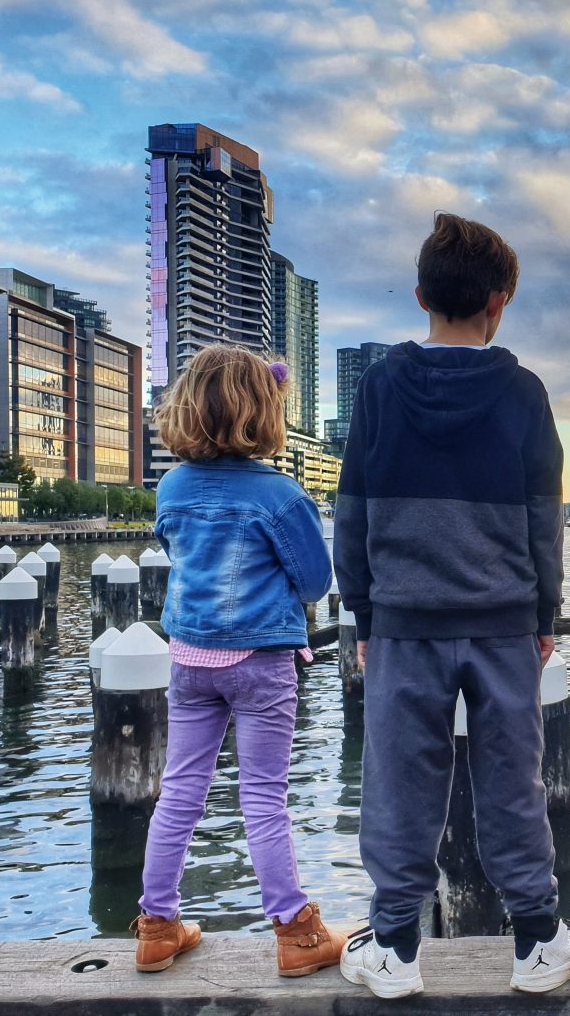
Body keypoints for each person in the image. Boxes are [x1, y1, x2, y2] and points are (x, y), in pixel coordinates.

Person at [334, 213, 570, 998]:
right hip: (500, 619)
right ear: (500, 301)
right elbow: (542, 516)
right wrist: (545, 615)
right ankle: (536, 940)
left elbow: (350, 507)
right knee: (512, 780)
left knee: (397, 780)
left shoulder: (380, 386)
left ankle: (393, 948)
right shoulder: (522, 392)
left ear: (420, 294)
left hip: (403, 623)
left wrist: (362, 610)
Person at [135, 347, 343, 977]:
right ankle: (295, 932)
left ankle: (157, 926)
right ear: (265, 411)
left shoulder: (171, 485)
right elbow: (314, 583)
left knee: (178, 792)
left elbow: (174, 545)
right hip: (260, 662)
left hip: (190, 659)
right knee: (262, 796)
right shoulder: (280, 494)